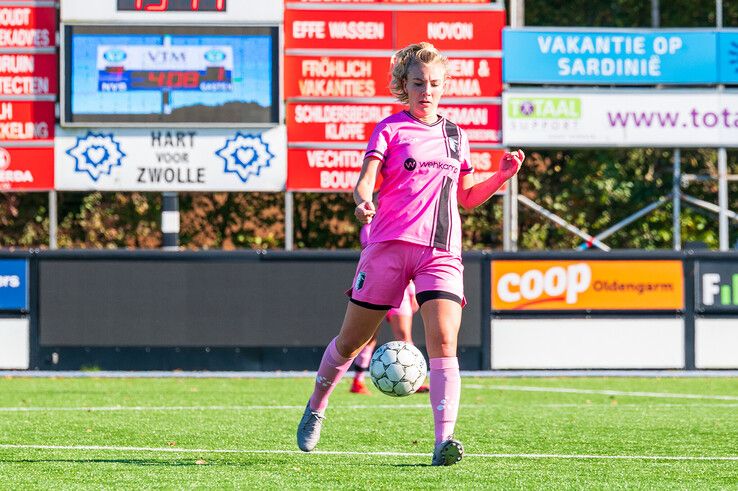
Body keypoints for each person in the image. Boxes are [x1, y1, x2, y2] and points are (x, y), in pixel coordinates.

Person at [296, 41, 524, 466]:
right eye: (418, 83)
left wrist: (502, 176)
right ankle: (317, 406)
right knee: (351, 341)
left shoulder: (458, 136)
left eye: (434, 84)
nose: (427, 91)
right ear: (404, 84)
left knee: (444, 340)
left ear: (444, 86)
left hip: (440, 252)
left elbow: (466, 198)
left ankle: (444, 441)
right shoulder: (390, 129)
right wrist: (363, 200)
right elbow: (365, 181)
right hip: (389, 247)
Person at [350, 224, 427, 395]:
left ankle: (413, 378)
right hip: (379, 285)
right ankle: (358, 380)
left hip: (402, 288)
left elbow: (409, 258)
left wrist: (412, 289)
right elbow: (377, 256)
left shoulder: (404, 223)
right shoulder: (370, 227)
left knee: (404, 337)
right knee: (367, 338)